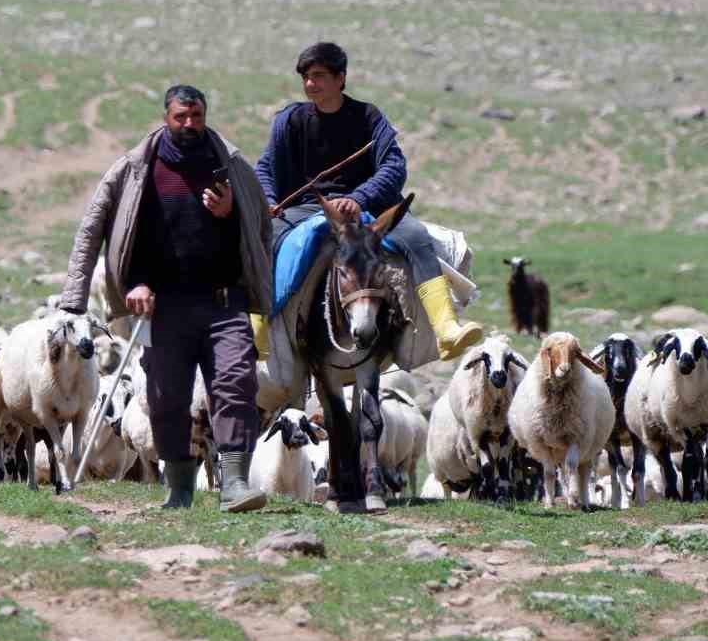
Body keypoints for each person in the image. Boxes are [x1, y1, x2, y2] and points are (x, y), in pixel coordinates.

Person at [61, 85, 273, 512]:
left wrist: (229, 213)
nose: (190, 125)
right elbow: (93, 229)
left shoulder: (230, 166)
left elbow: (260, 229)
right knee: (166, 395)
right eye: (181, 117)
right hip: (161, 305)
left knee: (236, 383)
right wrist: (83, 296)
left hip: (222, 300)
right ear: (166, 117)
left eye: (196, 117)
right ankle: (179, 489)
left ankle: (233, 484)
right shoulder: (135, 168)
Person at [255, 41, 484, 361]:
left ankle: (445, 328)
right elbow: (266, 167)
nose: (310, 84)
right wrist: (267, 199)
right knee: (266, 236)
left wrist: (359, 198)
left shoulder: (368, 117)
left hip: (368, 207)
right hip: (308, 206)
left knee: (416, 236)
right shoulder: (290, 121)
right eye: (306, 77)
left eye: (319, 76)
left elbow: (394, 166)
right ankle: (257, 328)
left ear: (340, 78)